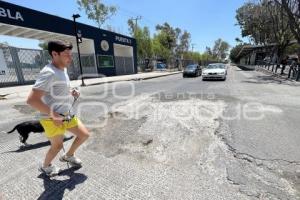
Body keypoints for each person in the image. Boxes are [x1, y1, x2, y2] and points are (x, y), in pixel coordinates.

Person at [27, 40, 90, 176]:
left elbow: (58, 89)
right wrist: (54, 115)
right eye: (67, 54)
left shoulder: (62, 69)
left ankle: (69, 155)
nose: (70, 58)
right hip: (51, 118)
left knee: (84, 134)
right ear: (55, 54)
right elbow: (32, 100)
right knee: (57, 146)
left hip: (66, 114)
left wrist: (71, 91)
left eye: (71, 54)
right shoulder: (49, 72)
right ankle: (45, 166)